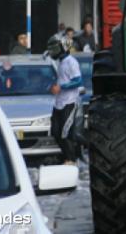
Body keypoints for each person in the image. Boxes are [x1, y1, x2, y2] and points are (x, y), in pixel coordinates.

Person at [47, 35, 83, 165]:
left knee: (65, 132)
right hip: (59, 103)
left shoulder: (71, 62)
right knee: (55, 131)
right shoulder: (61, 62)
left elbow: (78, 81)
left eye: (54, 48)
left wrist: (61, 87)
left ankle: (71, 159)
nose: (52, 51)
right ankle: (67, 155)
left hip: (69, 102)